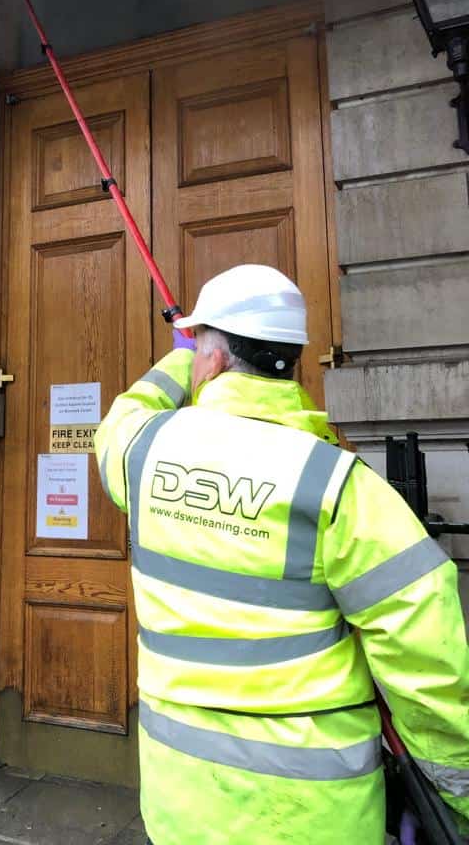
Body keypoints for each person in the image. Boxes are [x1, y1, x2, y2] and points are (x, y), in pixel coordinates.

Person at [94, 264, 469, 845]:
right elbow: (428, 668)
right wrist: (457, 801)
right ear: (291, 360)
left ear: (213, 359)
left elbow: (120, 421)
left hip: (181, 804)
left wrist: (178, 360)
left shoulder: (147, 451)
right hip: (314, 815)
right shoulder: (340, 484)